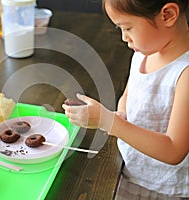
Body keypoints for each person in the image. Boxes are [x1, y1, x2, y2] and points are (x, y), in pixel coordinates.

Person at [62, 0, 189, 199]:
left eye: (128, 27)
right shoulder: (143, 53)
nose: (124, 38)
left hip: (163, 187)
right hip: (128, 170)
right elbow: (128, 97)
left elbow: (173, 150)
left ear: (168, 15)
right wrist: (119, 115)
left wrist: (108, 121)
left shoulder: (184, 73)